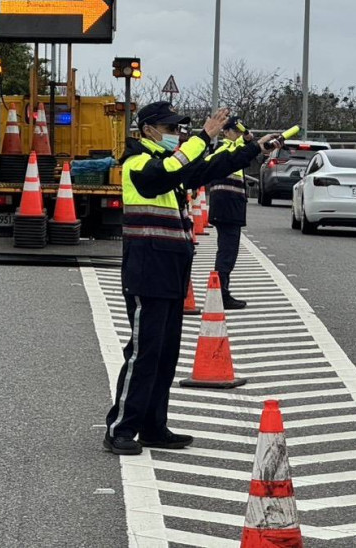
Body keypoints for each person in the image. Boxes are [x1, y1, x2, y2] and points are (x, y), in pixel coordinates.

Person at [103, 101, 274, 456]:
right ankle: (121, 428)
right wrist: (204, 136)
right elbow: (168, 171)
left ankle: (153, 426)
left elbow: (211, 167)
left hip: (171, 272)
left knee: (165, 355)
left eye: (178, 129)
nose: (176, 134)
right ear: (148, 130)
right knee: (144, 353)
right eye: (169, 129)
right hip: (147, 272)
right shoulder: (138, 164)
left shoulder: (171, 165)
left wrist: (253, 149)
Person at [205, 118, 258, 309]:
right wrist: (248, 142)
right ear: (226, 132)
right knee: (227, 252)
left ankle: (222, 291)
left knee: (228, 251)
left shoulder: (232, 149)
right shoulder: (224, 149)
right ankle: (221, 293)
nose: (238, 135)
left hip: (231, 208)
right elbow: (238, 152)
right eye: (235, 131)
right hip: (226, 208)